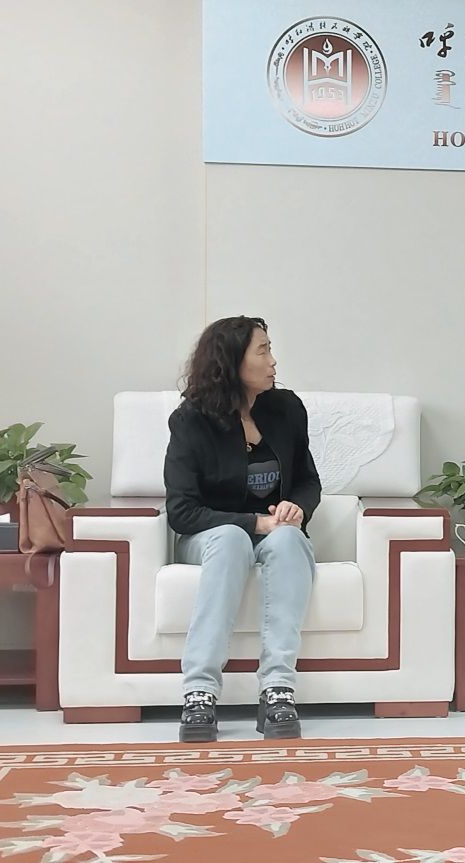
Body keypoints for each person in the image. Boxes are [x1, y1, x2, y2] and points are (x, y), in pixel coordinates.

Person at [165, 316, 320, 742]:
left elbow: (308, 481)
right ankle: (199, 692)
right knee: (234, 538)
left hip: (274, 530)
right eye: (263, 350)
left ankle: (278, 689)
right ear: (232, 362)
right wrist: (253, 522)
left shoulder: (286, 408)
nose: (273, 361)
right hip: (210, 536)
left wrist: (296, 508)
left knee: (289, 539)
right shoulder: (190, 421)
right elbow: (181, 511)